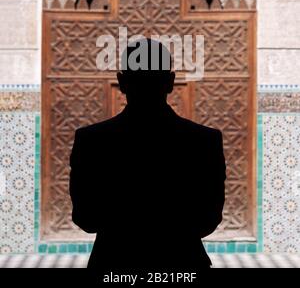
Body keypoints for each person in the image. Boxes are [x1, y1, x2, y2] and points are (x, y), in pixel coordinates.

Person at [69, 38, 226, 271]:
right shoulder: (203, 140)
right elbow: (207, 220)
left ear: (122, 82)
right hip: (183, 263)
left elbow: (86, 218)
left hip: (113, 262)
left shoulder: (92, 140)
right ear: (170, 82)